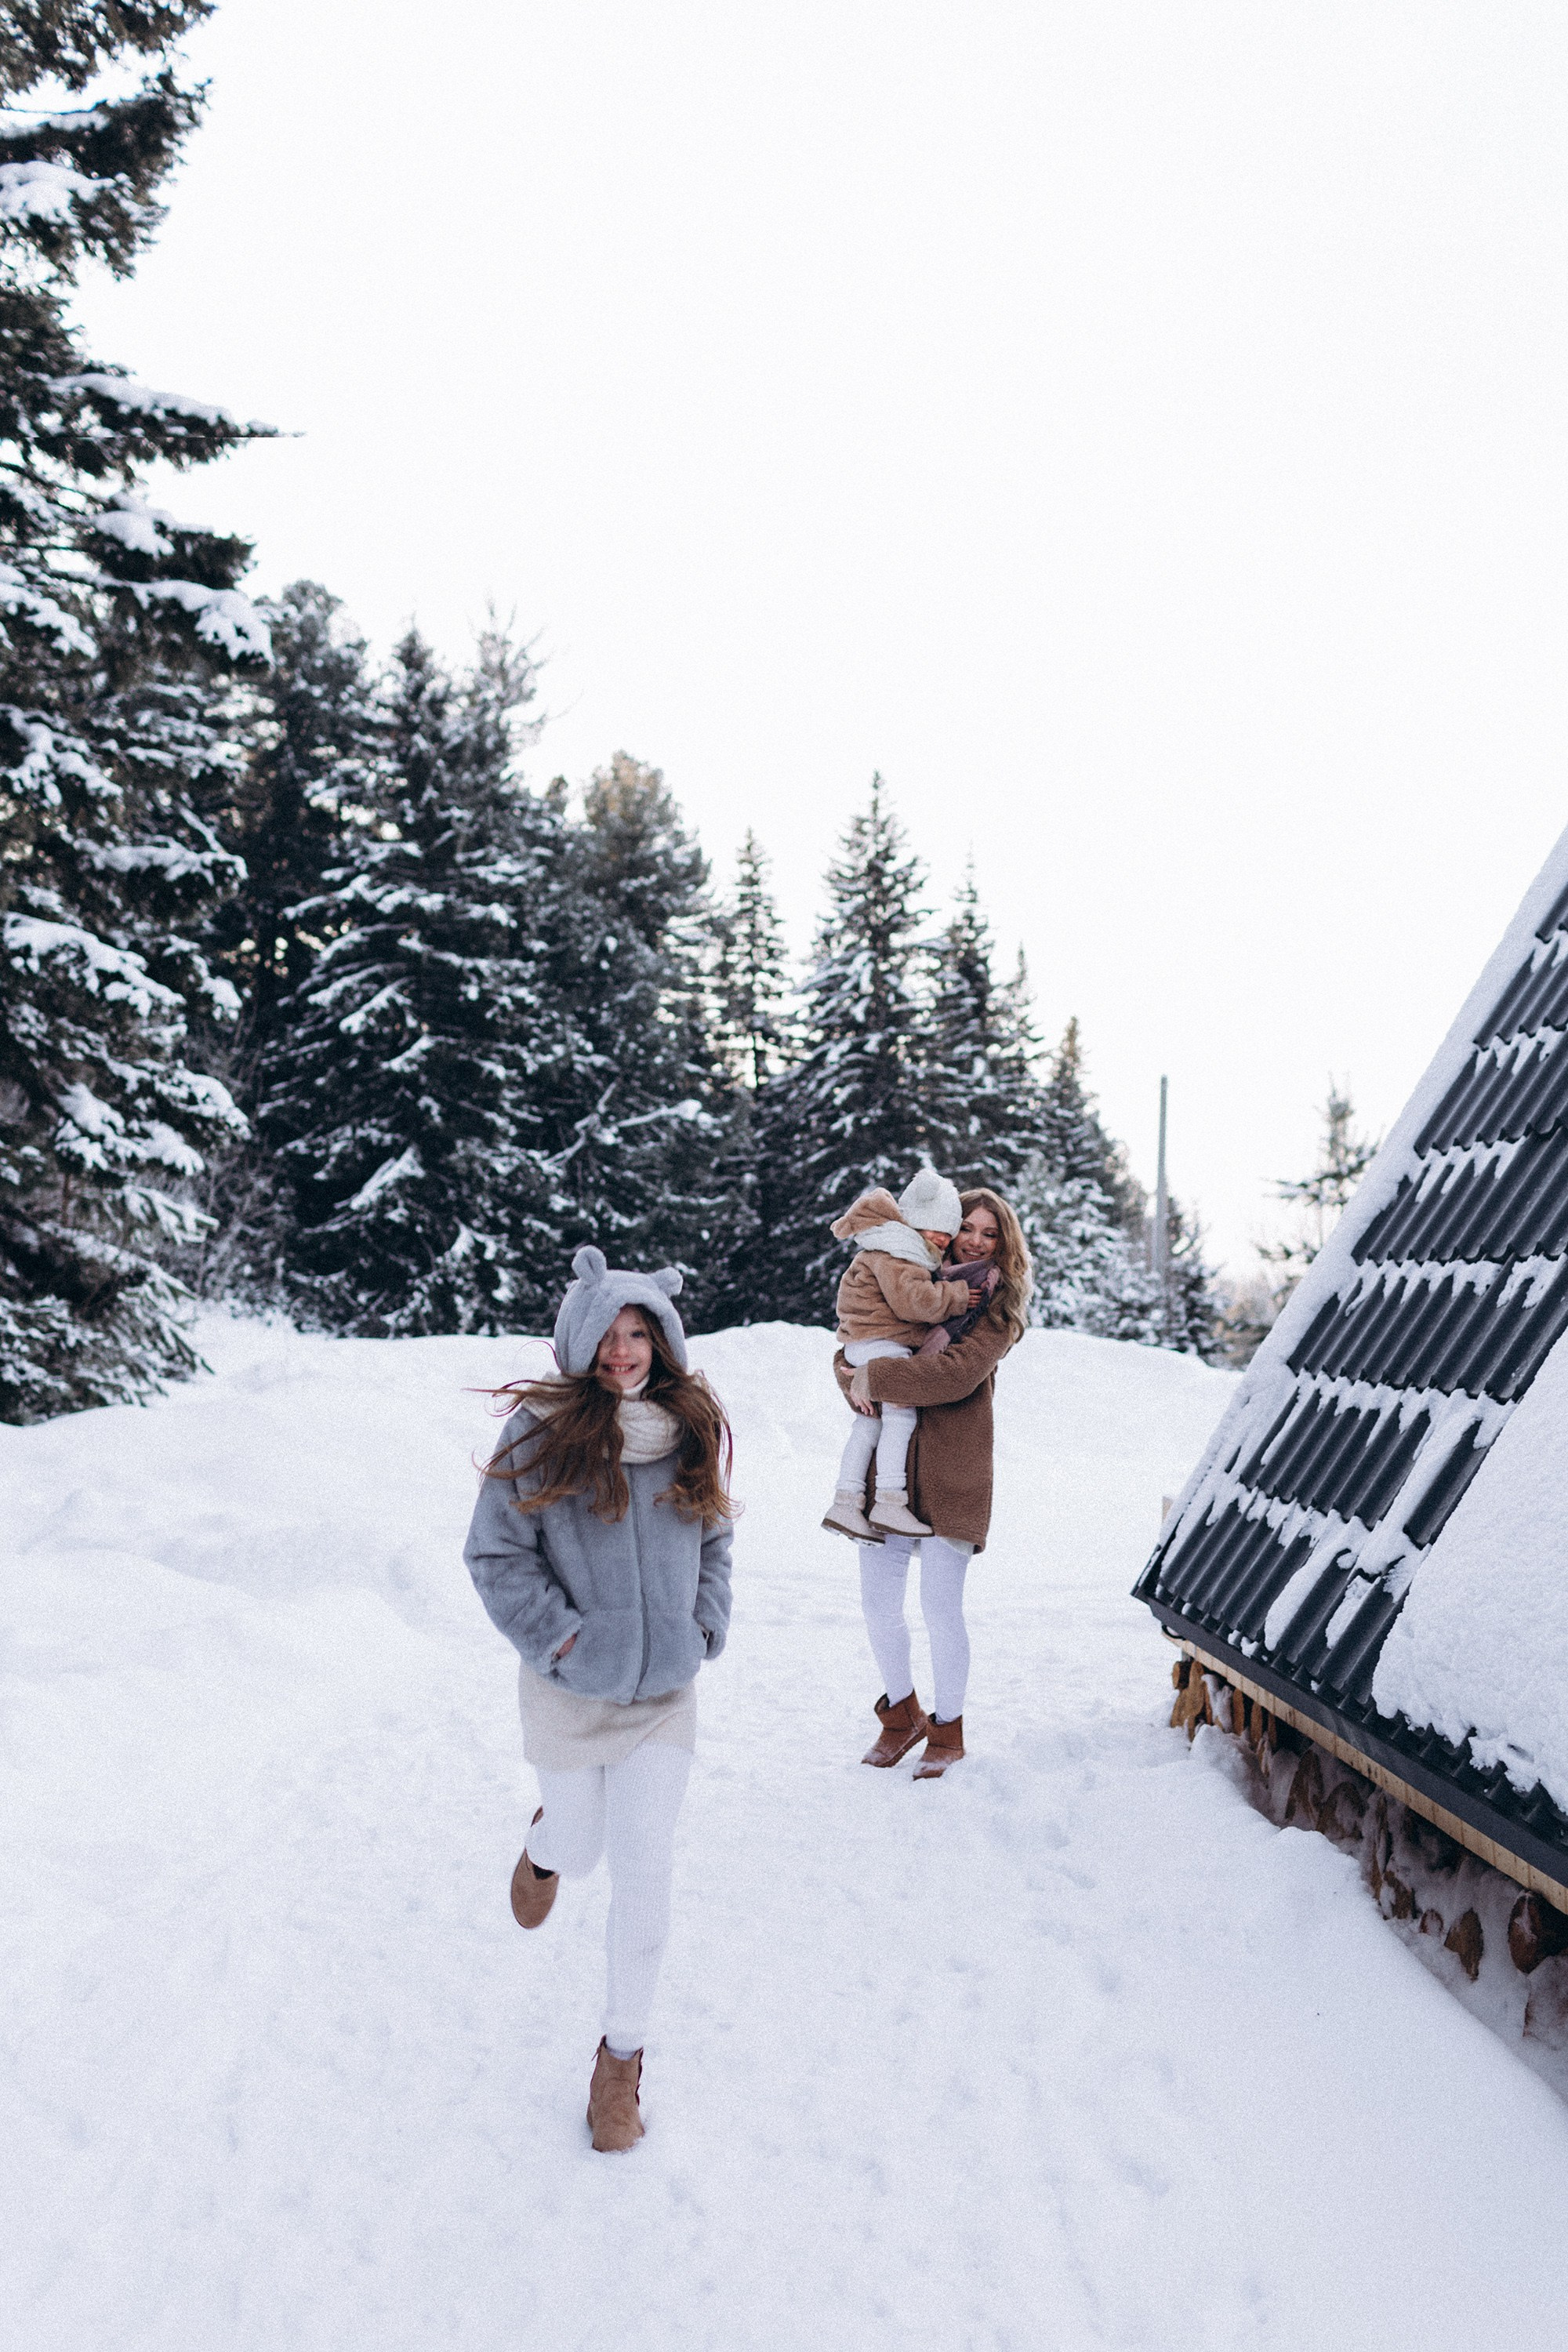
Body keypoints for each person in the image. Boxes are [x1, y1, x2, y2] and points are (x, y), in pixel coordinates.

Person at [465, 1245, 735, 2154]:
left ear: (663, 1339)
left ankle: (619, 2060)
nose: (624, 1352)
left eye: (640, 1334)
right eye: (610, 1335)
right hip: (570, 1689)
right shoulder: (541, 1431)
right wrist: (564, 1639)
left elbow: (717, 1536)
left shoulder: (690, 1427)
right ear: (580, 1337)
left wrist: (703, 1625)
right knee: (581, 1852)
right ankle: (546, 1843)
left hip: (664, 1694)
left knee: (644, 1870)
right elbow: (495, 1556)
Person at [835, 1186, 1032, 1780]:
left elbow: (951, 1375)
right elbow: (852, 1344)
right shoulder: (911, 1278)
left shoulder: (995, 1308)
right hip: (890, 1480)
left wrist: (868, 1375)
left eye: (988, 1233)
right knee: (877, 1608)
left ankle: (948, 1728)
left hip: (953, 1474)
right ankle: (901, 1716)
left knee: (940, 1609)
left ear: (1004, 1244)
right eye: (966, 1227)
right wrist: (852, 1373)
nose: (973, 1239)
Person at [822, 1167, 995, 1542]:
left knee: (869, 1425)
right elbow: (917, 1302)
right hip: (880, 1344)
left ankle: (846, 1500)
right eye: (937, 1229)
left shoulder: (888, 1248)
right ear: (913, 1223)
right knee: (900, 1418)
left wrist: (857, 1373)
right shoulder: (900, 1255)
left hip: (865, 1344)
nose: (942, 1238)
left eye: (947, 1233)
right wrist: (958, 1296)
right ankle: (889, 1499)